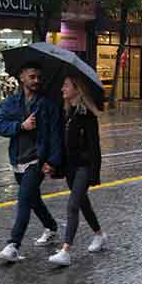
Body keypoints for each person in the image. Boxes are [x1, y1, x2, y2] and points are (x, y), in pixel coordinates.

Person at [0, 62, 60, 262]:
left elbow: (56, 135)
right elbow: (1, 126)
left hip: (37, 161)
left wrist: (52, 161)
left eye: (39, 77)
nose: (36, 81)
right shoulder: (11, 102)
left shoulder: (47, 105)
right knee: (33, 199)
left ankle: (13, 244)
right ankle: (51, 227)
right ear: (21, 77)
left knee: (23, 199)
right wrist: (21, 126)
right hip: (17, 159)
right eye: (32, 77)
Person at [48, 76, 104, 266]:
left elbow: (95, 148)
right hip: (71, 168)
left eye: (66, 85)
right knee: (83, 204)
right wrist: (54, 166)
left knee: (72, 205)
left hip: (84, 167)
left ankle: (65, 251)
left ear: (77, 90)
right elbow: (63, 146)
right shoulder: (66, 113)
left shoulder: (87, 115)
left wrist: (94, 174)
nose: (62, 88)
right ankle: (99, 235)